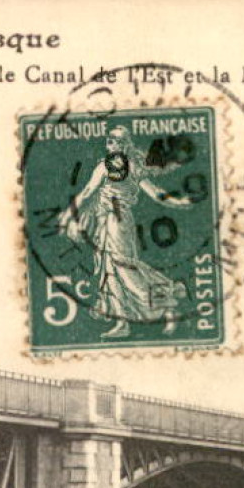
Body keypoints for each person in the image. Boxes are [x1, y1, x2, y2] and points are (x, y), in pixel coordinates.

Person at [55, 125, 195, 338]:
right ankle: (125, 320)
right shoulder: (125, 167)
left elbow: (86, 194)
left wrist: (66, 216)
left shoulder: (112, 167)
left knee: (123, 269)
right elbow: (157, 193)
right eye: (109, 141)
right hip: (109, 220)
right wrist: (179, 202)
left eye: (115, 142)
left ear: (124, 145)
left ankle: (165, 303)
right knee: (110, 268)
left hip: (116, 220)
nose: (110, 145)